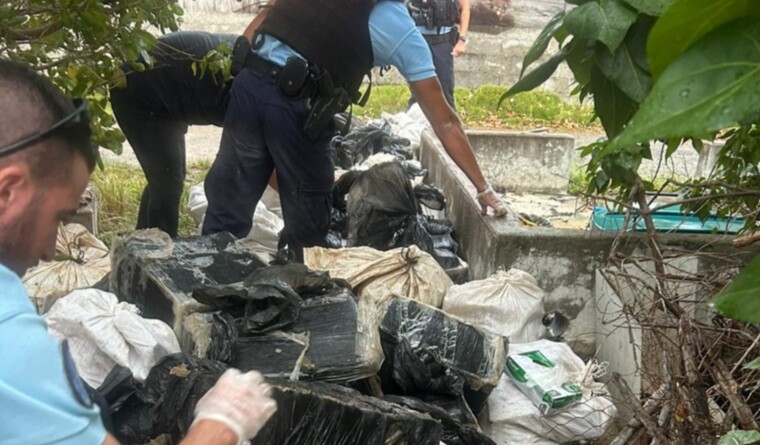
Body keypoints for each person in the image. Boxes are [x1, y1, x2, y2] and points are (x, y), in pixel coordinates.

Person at [0, 59, 277, 445]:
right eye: (58, 217)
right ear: (7, 191)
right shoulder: (8, 341)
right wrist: (221, 422)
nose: (50, 250)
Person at [202, 0, 508, 262]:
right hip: (295, 105)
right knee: (309, 226)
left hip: (249, 84)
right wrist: (483, 189)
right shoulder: (397, 26)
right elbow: (446, 122)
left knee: (227, 208)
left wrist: (243, 93)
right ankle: (294, 306)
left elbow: (259, 25)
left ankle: (201, 288)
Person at [110, 32, 237, 237]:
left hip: (163, 96)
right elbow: (237, 165)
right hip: (138, 91)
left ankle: (141, 245)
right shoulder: (253, 92)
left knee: (165, 178)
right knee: (167, 184)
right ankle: (158, 259)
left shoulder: (258, 73)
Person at [407, 0, 470, 109]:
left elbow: (465, 9)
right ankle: (416, 122)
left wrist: (462, 40)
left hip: (443, 41)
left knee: (445, 88)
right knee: (417, 89)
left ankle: (450, 124)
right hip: (418, 40)